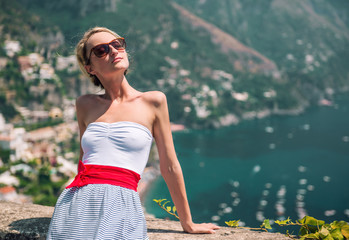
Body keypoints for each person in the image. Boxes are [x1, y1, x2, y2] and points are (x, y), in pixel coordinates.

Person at [47, 26, 219, 239]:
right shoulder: (84, 104)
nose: (113, 51)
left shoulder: (154, 101)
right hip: (77, 204)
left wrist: (188, 223)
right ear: (90, 67)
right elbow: (84, 160)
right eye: (101, 50)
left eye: (117, 44)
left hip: (122, 203)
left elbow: (170, 166)